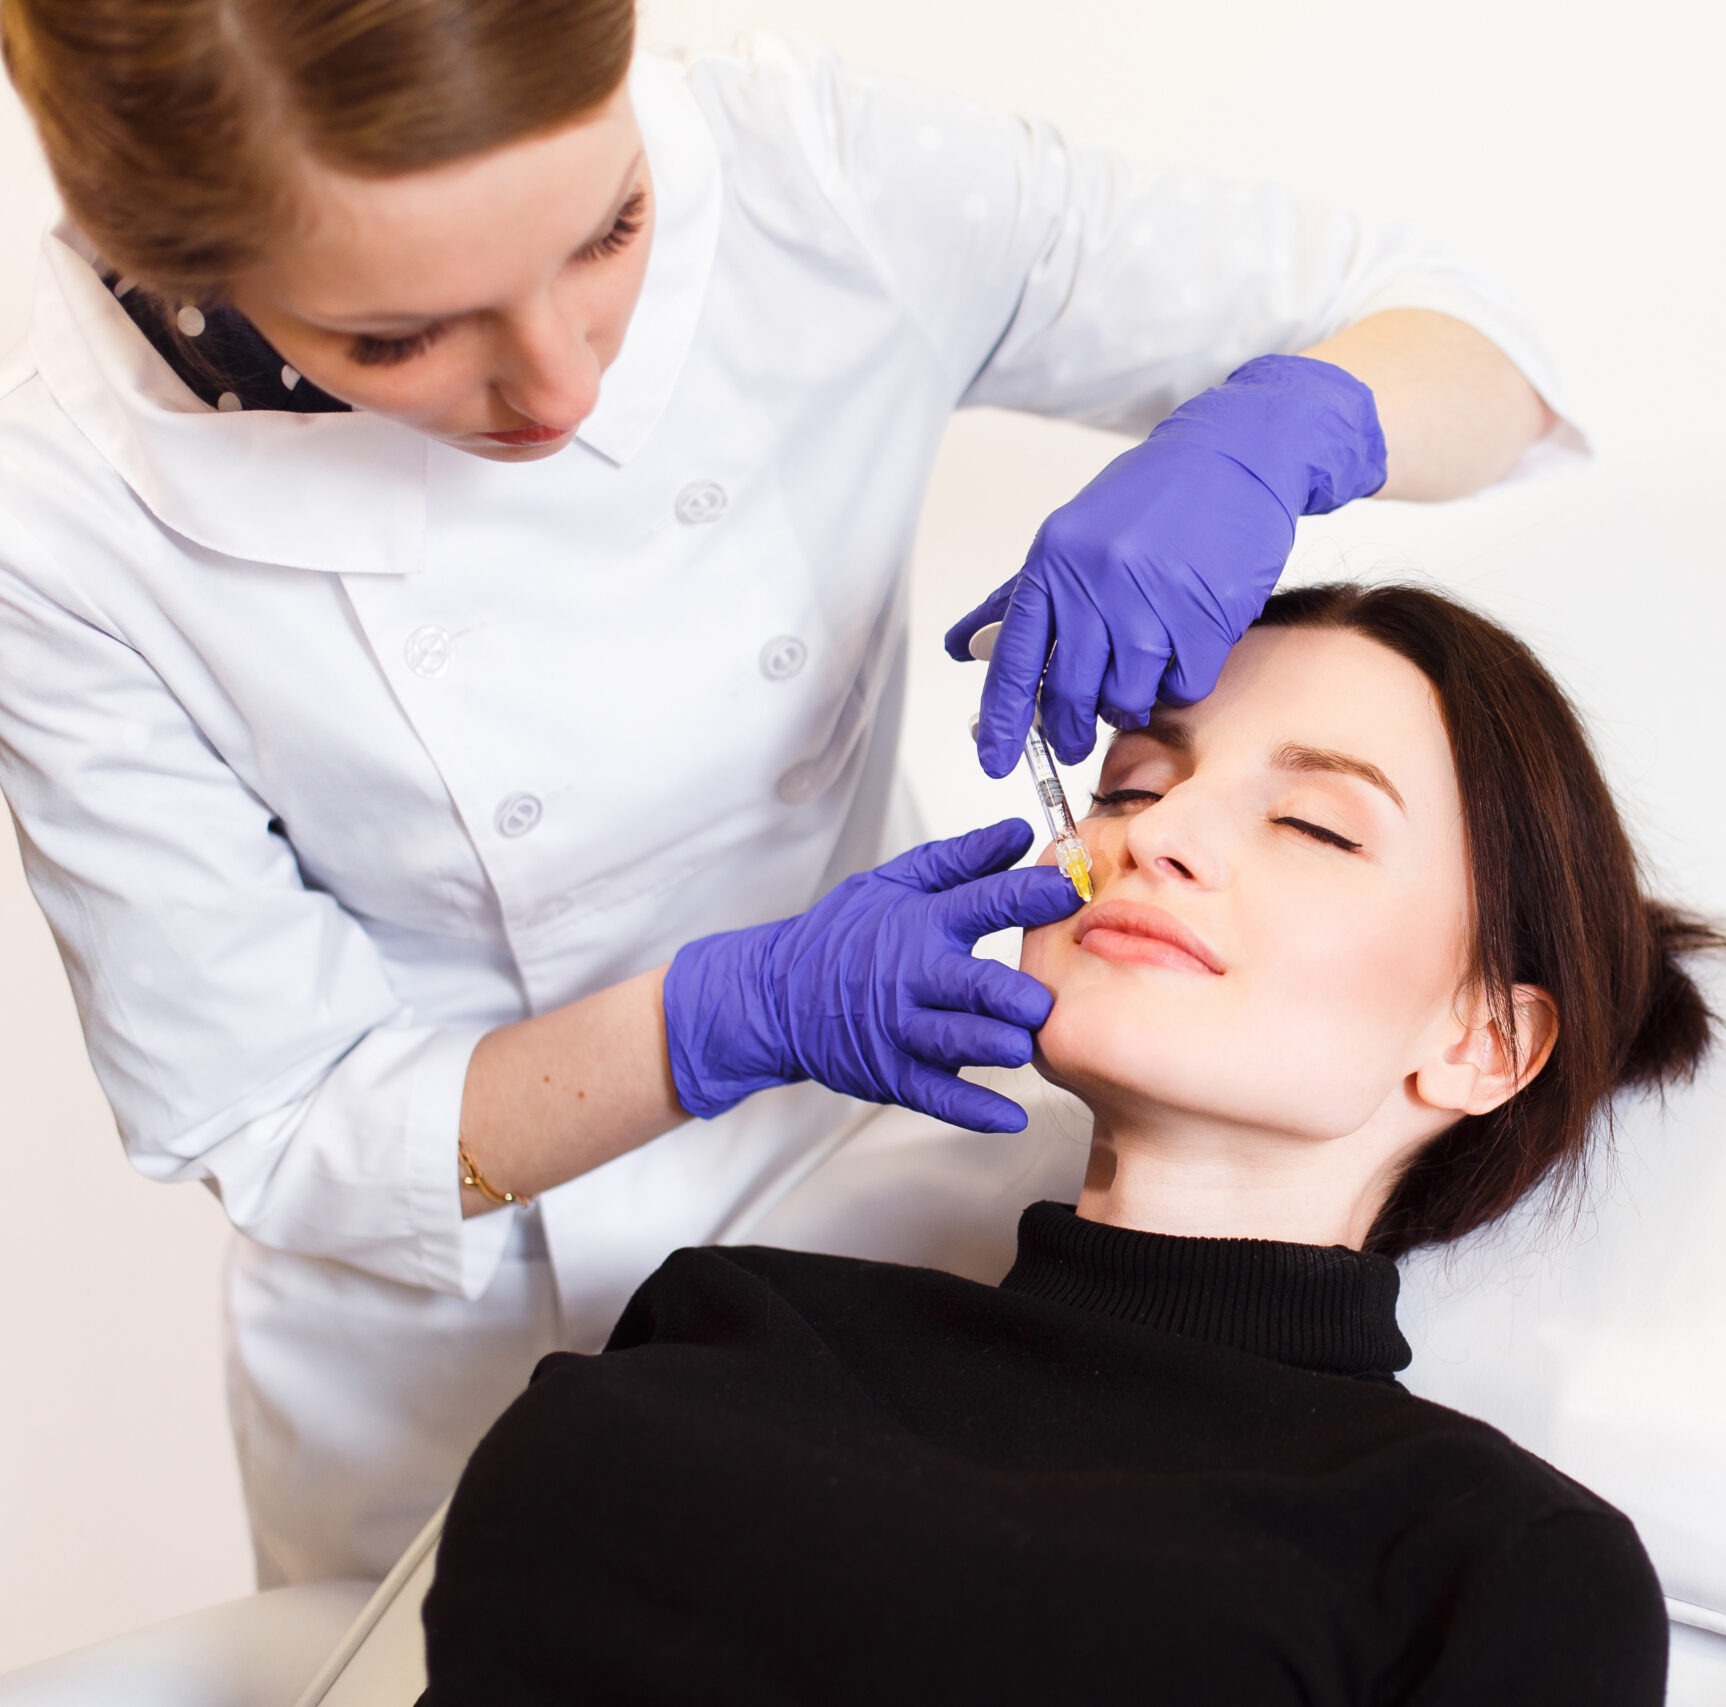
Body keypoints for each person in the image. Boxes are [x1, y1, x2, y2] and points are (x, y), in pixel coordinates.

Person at [0, 2, 1576, 1582]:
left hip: (884, 1195)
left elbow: (1473, 340)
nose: (561, 387)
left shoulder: (809, 181)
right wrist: (716, 1021)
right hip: (445, 1354)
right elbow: (281, 1124)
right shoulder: (57, 509)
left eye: (609, 229)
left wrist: (1288, 426)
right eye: (400, 338)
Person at [419, 583, 1719, 1705]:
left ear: (1485, 1041)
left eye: (1316, 824)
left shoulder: (1483, 1557)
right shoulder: (736, 1313)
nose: (1153, 833)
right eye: (1133, 785)